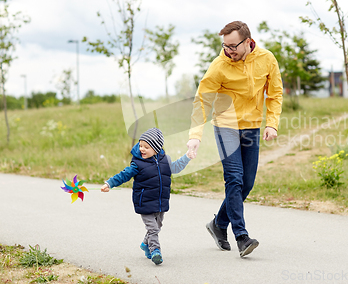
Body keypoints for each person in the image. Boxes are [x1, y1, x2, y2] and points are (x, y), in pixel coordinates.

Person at [187, 21, 283, 257]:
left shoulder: (267, 59)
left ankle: (219, 224)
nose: (228, 50)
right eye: (225, 45)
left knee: (247, 183)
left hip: (251, 127)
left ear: (248, 42)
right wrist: (195, 136)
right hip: (226, 127)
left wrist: (272, 123)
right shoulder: (219, 66)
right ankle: (242, 237)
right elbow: (202, 101)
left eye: (233, 46)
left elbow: (275, 93)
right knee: (234, 179)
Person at [101, 128, 193, 265]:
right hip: (144, 202)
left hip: (160, 201)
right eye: (140, 145)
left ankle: (145, 244)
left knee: (158, 225)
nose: (142, 149)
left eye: (146, 147)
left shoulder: (165, 160)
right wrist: (110, 183)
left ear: (156, 148)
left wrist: (187, 157)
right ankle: (155, 250)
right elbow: (124, 174)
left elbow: (176, 167)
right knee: (153, 228)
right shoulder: (137, 163)